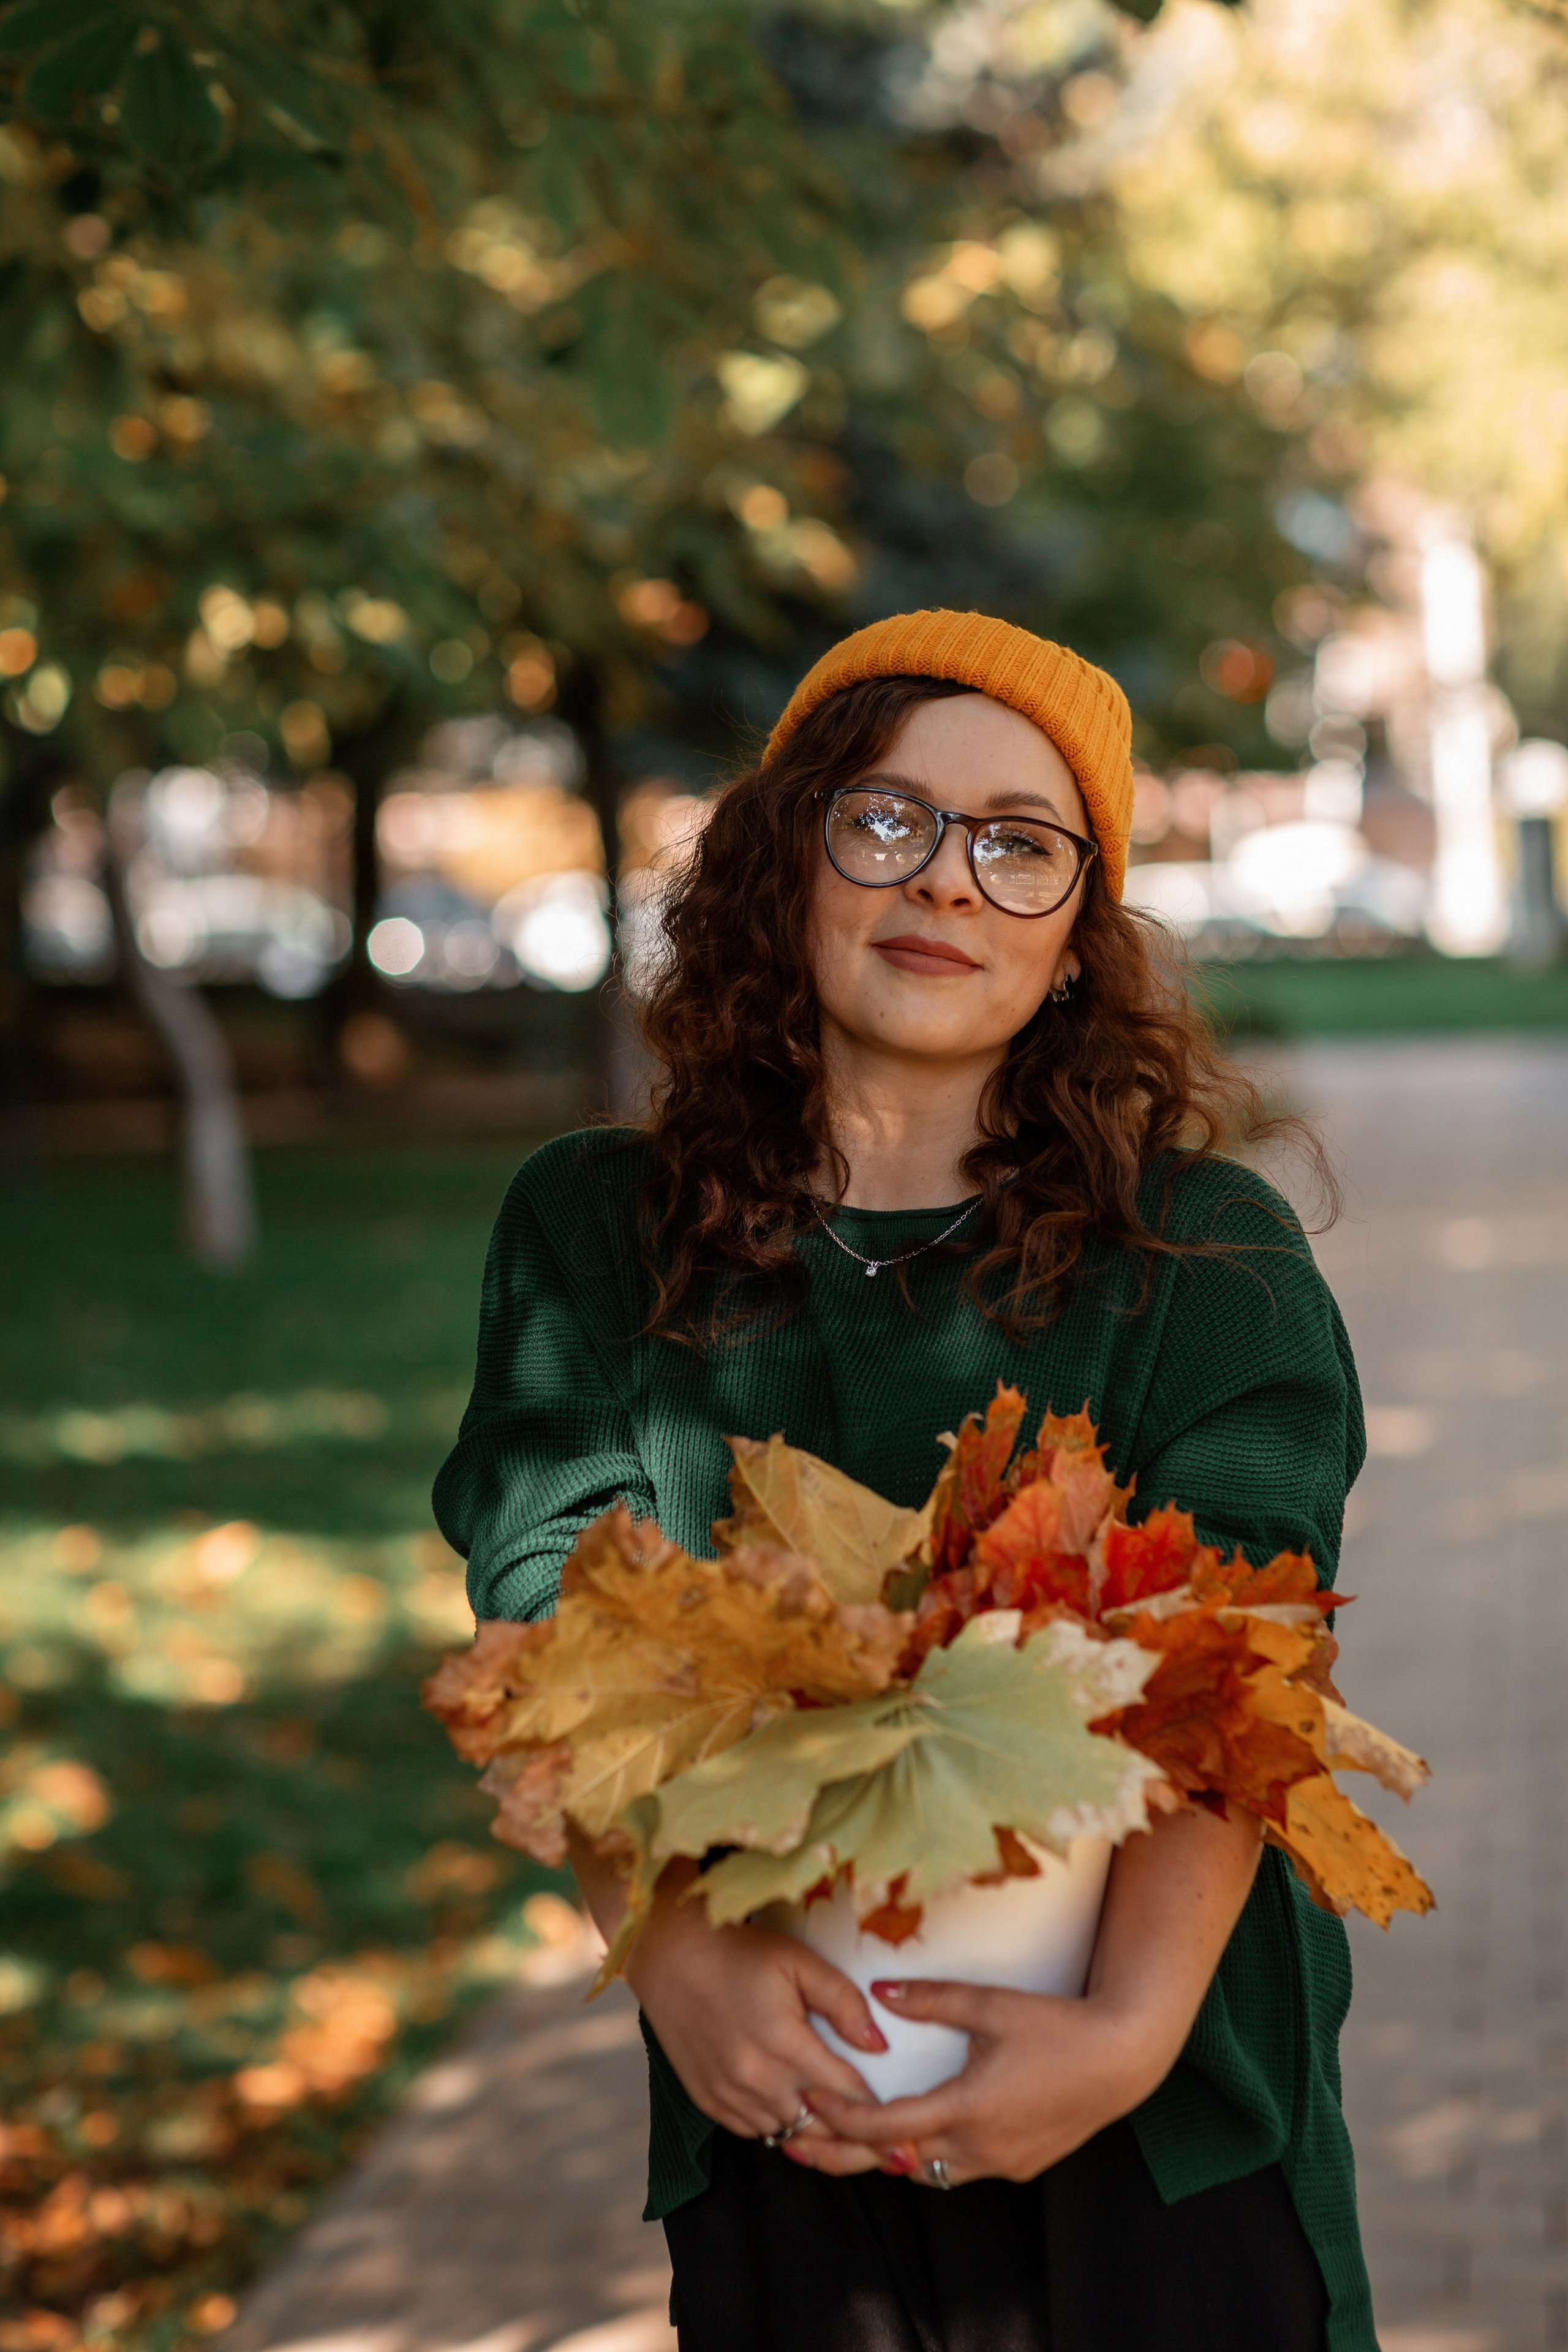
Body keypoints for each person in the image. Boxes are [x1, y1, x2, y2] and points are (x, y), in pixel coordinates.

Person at [434, 610, 1373, 2352]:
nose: (949, 882)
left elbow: (1246, 1656)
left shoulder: (1204, 1253)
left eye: (1021, 847)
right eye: (889, 820)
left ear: (1081, 940)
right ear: (789, 858)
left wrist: (1131, 2030)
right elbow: (543, 1603)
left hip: (1160, 2137)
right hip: (786, 2106)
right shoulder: (593, 1236)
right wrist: (679, 1958)